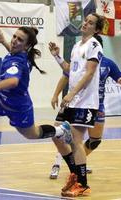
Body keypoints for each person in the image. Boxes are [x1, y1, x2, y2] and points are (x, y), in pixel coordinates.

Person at [0, 26, 72, 162]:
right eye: (14, 37)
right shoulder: (21, 55)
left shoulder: (18, 61)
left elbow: (13, 81)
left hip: (18, 107)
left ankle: (61, 130)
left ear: (27, 46)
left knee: (33, 134)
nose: (14, 41)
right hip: (2, 100)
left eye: (20, 40)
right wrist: (2, 41)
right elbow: (13, 54)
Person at [47, 13, 105, 197]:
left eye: (90, 23)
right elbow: (69, 70)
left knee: (76, 140)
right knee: (56, 135)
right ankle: (74, 173)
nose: (85, 23)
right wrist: (57, 57)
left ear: (96, 29)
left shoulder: (94, 44)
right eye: (85, 20)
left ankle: (83, 184)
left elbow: (89, 73)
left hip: (85, 101)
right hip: (73, 102)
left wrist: (71, 94)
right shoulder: (76, 46)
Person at [49, 35, 121, 180]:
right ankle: (58, 164)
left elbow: (119, 79)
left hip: (96, 105)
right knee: (63, 134)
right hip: (75, 102)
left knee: (94, 140)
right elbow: (66, 75)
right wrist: (56, 94)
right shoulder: (80, 60)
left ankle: (78, 163)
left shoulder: (108, 63)